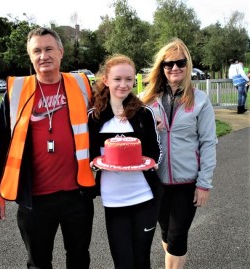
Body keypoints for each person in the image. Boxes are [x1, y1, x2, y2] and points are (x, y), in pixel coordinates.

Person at [0, 27, 96, 269]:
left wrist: (143, 114)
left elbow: (113, 107)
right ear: (30, 56)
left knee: (79, 258)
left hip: (77, 195)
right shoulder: (16, 91)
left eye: (48, 49)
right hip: (34, 199)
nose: (43, 55)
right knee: (38, 263)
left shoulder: (81, 84)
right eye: (37, 51)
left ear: (61, 52)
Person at [142, 38, 217, 269]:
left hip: (186, 183)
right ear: (161, 68)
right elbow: (130, 135)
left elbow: (208, 143)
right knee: (166, 234)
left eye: (180, 62)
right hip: (155, 182)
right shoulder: (146, 100)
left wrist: (204, 184)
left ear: (188, 65)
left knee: (176, 238)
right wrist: (148, 124)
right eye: (169, 64)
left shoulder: (201, 100)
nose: (175, 68)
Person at [88, 54, 163, 269]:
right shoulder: (94, 117)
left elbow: (155, 150)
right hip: (114, 199)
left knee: (142, 259)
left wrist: (150, 161)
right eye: (118, 79)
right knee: (122, 262)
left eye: (129, 79)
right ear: (106, 80)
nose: (123, 85)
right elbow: (91, 155)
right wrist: (94, 163)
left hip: (144, 195)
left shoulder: (144, 114)